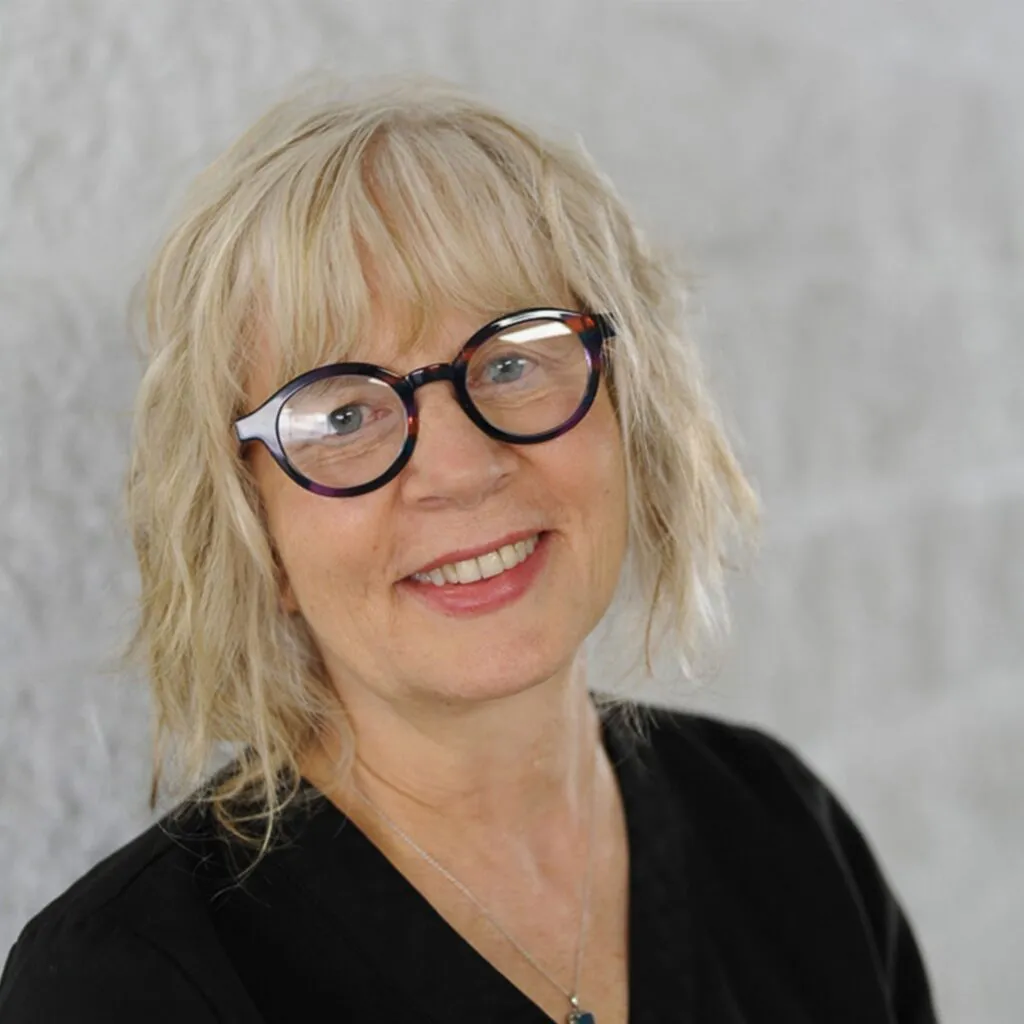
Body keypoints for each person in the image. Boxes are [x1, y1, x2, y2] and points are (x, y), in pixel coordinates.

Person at [0, 78, 938, 1024]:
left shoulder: (779, 830)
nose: (460, 467)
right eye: (345, 414)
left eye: (511, 361)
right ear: (252, 528)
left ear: (631, 413)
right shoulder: (124, 985)